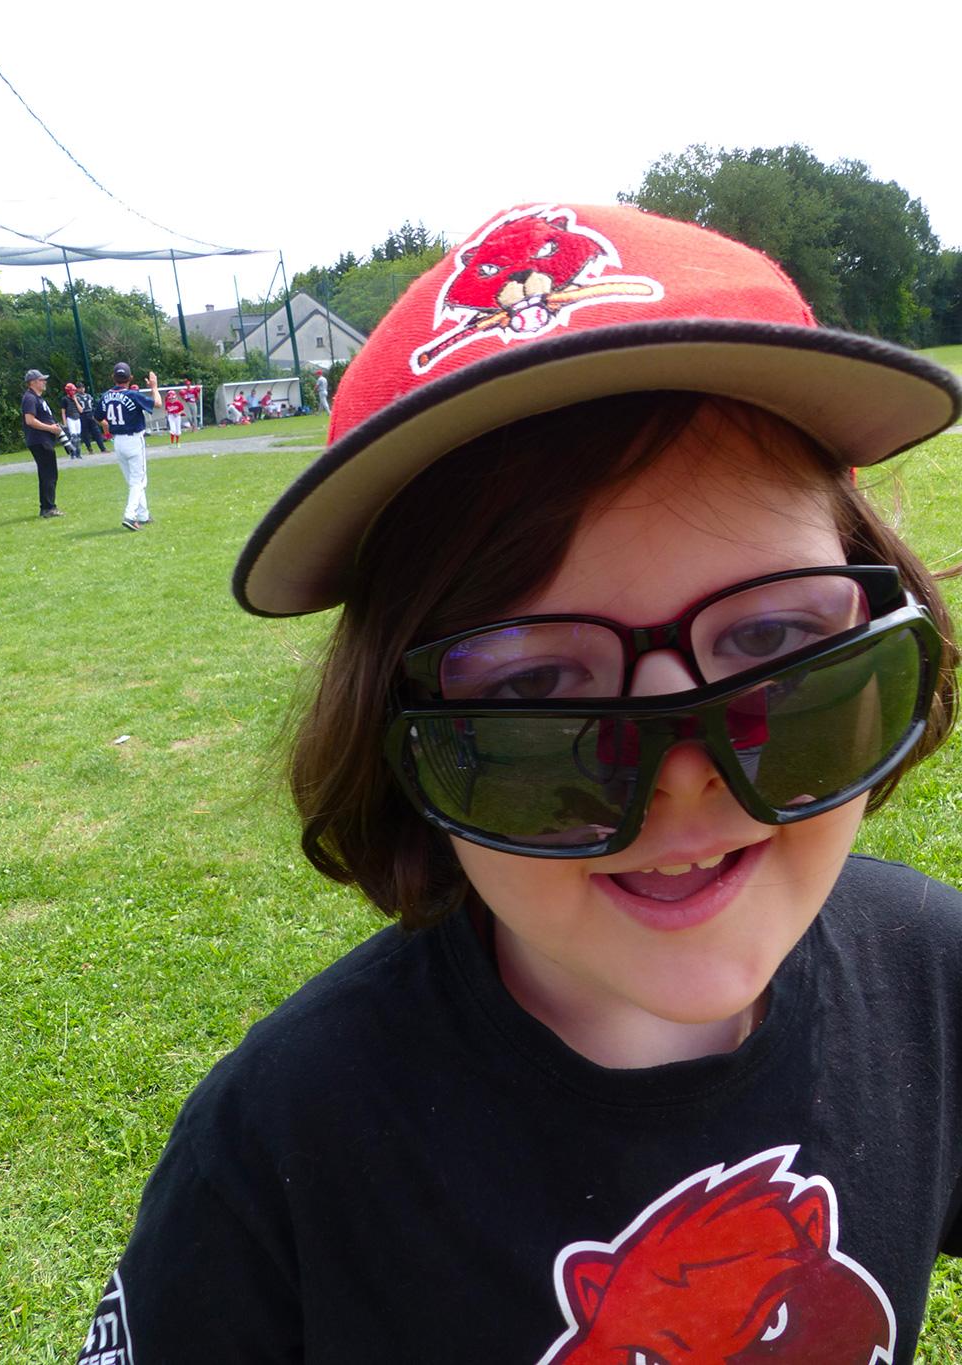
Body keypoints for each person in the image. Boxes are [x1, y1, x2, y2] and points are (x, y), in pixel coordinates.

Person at [78, 203, 962, 1365]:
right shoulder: (281, 1147)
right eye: (538, 687)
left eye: (770, 643)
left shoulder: (931, 977)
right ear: (393, 737)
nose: (684, 780)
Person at [94, 361, 161, 531]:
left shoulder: (106, 396)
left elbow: (97, 416)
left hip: (118, 441)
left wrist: (105, 424)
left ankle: (143, 515)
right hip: (134, 440)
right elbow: (158, 404)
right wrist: (154, 387)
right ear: (130, 378)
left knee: (133, 481)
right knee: (138, 481)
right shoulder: (132, 395)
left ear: (113, 378)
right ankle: (130, 516)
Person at [20, 367, 64, 518]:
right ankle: (49, 508)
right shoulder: (30, 398)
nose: (44, 382)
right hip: (40, 440)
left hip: (43, 440)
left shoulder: (37, 398)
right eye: (41, 380)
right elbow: (30, 420)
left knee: (47, 474)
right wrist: (50, 428)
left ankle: (46, 507)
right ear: (33, 382)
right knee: (49, 475)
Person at [74, 380, 107, 453]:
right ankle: (89, 448)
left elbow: (92, 405)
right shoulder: (76, 397)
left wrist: (93, 414)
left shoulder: (88, 396)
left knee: (96, 431)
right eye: (80, 388)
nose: (82, 389)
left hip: (90, 414)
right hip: (82, 415)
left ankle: (102, 448)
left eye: (82, 387)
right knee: (85, 432)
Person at [60, 382, 84, 458]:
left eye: (74, 390)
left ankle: (78, 453)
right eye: (71, 390)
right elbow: (63, 412)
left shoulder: (77, 398)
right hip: (70, 418)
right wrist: (65, 423)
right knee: (73, 436)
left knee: (78, 436)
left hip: (77, 418)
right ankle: (73, 453)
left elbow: (81, 410)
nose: (73, 392)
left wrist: (75, 400)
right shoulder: (64, 399)